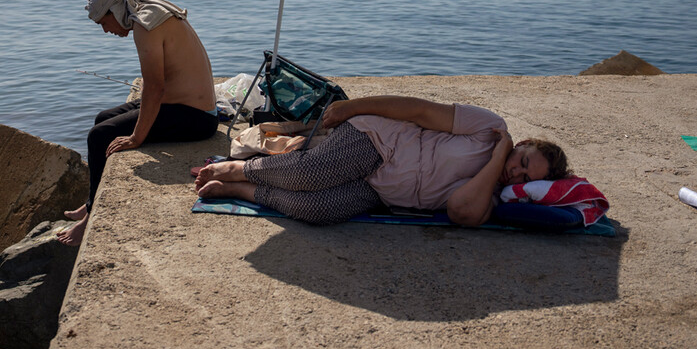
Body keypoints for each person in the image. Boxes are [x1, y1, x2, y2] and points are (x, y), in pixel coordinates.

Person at [194, 95, 571, 226]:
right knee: (312, 172)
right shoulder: (489, 128)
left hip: (381, 191)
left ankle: (244, 190)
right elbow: (420, 111)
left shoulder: (492, 195)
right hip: (382, 142)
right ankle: (240, 168)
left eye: (523, 176)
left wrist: (499, 160)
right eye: (521, 158)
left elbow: (460, 212)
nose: (515, 170)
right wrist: (353, 107)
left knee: (317, 211)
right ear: (521, 143)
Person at [58, 0, 219, 245]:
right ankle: (90, 202)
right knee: (103, 118)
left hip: (196, 117)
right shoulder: (152, 9)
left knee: (100, 135)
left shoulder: (146, 25)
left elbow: (154, 88)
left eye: (103, 22)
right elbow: (156, 85)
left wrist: (136, 137)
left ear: (115, 9)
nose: (105, 30)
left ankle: (91, 219)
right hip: (183, 103)